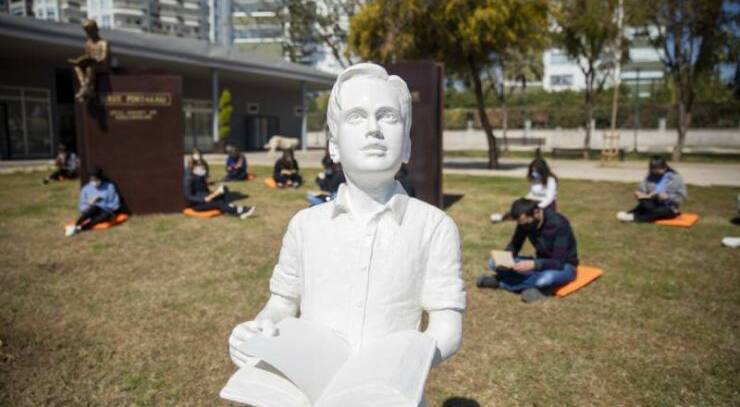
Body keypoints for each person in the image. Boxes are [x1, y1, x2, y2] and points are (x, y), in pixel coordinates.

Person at [229, 63, 465, 373]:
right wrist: (259, 330)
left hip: (391, 391)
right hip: (312, 387)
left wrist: (405, 369)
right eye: (356, 116)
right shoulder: (305, 226)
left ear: (407, 145)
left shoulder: (434, 228)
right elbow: (282, 303)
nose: (374, 129)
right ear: (334, 145)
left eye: (388, 116)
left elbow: (447, 325)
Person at [477, 198, 578, 303]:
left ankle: (501, 282)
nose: (524, 227)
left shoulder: (559, 224)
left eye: (526, 224)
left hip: (564, 266)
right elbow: (515, 244)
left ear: (536, 212)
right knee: (493, 262)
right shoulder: (524, 223)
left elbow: (558, 262)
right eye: (521, 224)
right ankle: (533, 285)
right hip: (540, 263)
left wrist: (534, 265)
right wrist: (505, 259)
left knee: (546, 278)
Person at [617, 155, 688, 222]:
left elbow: (681, 197)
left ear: (665, 168)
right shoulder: (650, 177)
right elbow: (642, 190)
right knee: (646, 204)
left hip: (669, 207)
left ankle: (633, 217)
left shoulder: (675, 178)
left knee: (657, 211)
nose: (655, 174)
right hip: (653, 203)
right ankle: (633, 213)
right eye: (653, 171)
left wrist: (668, 197)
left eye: (657, 171)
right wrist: (638, 193)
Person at [490, 155, 557, 223]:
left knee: (525, 212)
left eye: (536, 171)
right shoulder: (534, 179)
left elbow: (549, 198)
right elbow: (531, 193)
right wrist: (525, 200)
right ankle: (503, 217)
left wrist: (537, 206)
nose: (534, 173)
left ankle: (504, 217)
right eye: (533, 171)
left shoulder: (550, 180)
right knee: (519, 206)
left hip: (546, 204)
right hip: (534, 202)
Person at [184, 159, 255, 219]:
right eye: (202, 168)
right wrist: (203, 199)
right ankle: (241, 210)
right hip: (196, 204)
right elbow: (188, 196)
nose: (203, 170)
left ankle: (231, 209)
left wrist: (214, 193)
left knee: (223, 190)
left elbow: (204, 190)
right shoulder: (188, 179)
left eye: (204, 168)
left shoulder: (200, 177)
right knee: (219, 202)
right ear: (194, 167)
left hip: (205, 198)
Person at [64, 166, 120, 237]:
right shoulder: (86, 188)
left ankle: (81, 228)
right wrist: (89, 204)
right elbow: (82, 205)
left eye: (96, 179)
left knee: (103, 215)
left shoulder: (109, 187)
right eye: (92, 179)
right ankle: (76, 225)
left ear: (100, 178)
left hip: (106, 211)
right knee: (94, 208)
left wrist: (101, 201)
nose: (94, 181)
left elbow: (115, 204)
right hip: (92, 211)